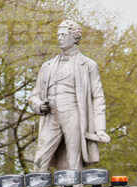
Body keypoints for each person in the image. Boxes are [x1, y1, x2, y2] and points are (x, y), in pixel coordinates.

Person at [29, 20, 110, 171]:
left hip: (73, 112)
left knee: (74, 159)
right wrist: (39, 105)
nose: (59, 38)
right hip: (50, 115)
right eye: (58, 35)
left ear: (75, 37)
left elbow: (98, 97)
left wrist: (100, 128)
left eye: (64, 35)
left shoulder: (88, 65)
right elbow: (34, 95)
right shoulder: (47, 66)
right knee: (40, 159)